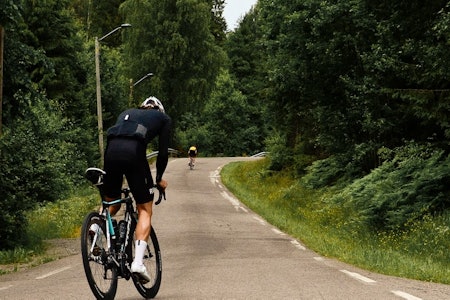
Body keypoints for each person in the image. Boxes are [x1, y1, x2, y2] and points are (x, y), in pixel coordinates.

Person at [102, 96, 171, 283]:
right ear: (159, 109)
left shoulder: (126, 112)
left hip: (110, 153)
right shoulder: (163, 118)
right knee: (144, 209)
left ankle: (96, 228)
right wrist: (158, 179)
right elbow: (163, 153)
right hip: (134, 152)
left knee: (112, 203)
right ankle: (138, 263)